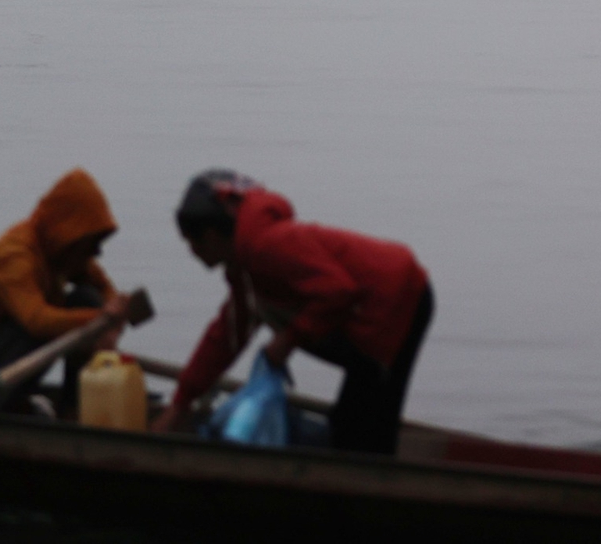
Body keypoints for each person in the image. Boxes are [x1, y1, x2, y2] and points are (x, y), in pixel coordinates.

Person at [151, 170, 433, 454]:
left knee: (363, 428)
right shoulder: (245, 271)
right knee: (351, 422)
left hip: (396, 298)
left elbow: (337, 291)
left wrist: (287, 340)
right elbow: (227, 336)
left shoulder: (267, 246)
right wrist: (182, 402)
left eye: (192, 243)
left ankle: (372, 487)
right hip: (370, 307)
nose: (192, 253)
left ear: (211, 237)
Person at [0, 169, 132, 410]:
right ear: (69, 233)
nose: (97, 253)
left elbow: (103, 288)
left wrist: (112, 317)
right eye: (93, 243)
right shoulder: (15, 254)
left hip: (9, 352)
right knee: (46, 324)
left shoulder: (65, 255)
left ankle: (75, 408)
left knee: (87, 298)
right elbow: (36, 321)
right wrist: (102, 320)